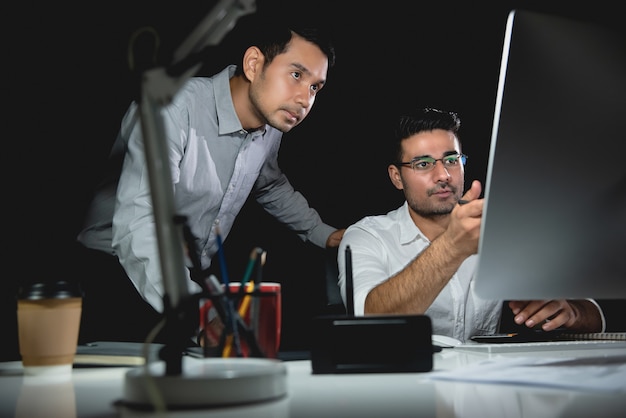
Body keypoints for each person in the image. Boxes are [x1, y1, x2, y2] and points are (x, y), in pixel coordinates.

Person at [75, 15, 345, 344]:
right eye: (296, 75)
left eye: (315, 86)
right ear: (253, 63)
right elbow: (139, 224)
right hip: (114, 273)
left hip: (185, 280)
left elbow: (270, 184)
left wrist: (325, 235)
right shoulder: (171, 108)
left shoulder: (271, 123)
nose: (306, 99)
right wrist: (201, 314)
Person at [337, 107, 603, 342]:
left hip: (486, 389)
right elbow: (366, 321)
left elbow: (593, 314)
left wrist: (571, 312)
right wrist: (452, 247)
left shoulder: (500, 231)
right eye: (423, 164)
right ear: (397, 177)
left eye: (452, 160)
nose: (442, 175)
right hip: (402, 390)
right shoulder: (367, 236)